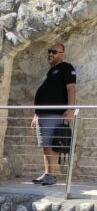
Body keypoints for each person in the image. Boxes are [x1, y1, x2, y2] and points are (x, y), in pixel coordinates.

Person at [31, 42, 76, 185]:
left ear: (62, 54)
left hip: (54, 113)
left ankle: (52, 175)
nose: (50, 54)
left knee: (52, 144)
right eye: (49, 51)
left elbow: (71, 89)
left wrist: (70, 109)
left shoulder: (66, 68)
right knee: (45, 145)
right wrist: (36, 114)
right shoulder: (51, 72)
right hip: (42, 115)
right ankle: (47, 173)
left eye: (54, 52)